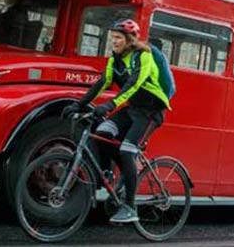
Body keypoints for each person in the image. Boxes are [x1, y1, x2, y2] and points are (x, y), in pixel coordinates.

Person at [62, 18, 170, 224]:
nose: (114, 42)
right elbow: (102, 83)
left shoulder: (143, 56)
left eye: (118, 38)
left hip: (151, 112)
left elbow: (133, 84)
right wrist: (79, 104)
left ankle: (130, 207)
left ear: (130, 40)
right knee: (103, 132)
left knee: (127, 150)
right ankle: (121, 176)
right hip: (133, 109)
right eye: (113, 38)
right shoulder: (115, 60)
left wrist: (109, 106)